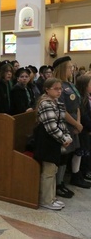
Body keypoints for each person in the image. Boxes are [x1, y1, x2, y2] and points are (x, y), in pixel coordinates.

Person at [53, 56, 90, 197]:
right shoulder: (58, 85)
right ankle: (58, 184)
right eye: (69, 67)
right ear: (62, 68)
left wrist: (78, 122)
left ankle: (62, 182)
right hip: (64, 125)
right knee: (62, 154)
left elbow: (77, 106)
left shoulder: (70, 84)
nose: (72, 69)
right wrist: (75, 123)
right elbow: (62, 109)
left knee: (69, 154)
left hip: (74, 125)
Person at [34, 77, 72, 210]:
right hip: (46, 140)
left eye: (60, 88)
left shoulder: (57, 102)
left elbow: (61, 123)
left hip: (54, 140)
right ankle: (46, 200)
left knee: (54, 169)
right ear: (47, 89)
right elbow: (51, 127)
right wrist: (63, 139)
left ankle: (52, 197)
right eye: (56, 89)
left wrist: (67, 136)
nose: (59, 91)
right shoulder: (45, 104)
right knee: (49, 171)